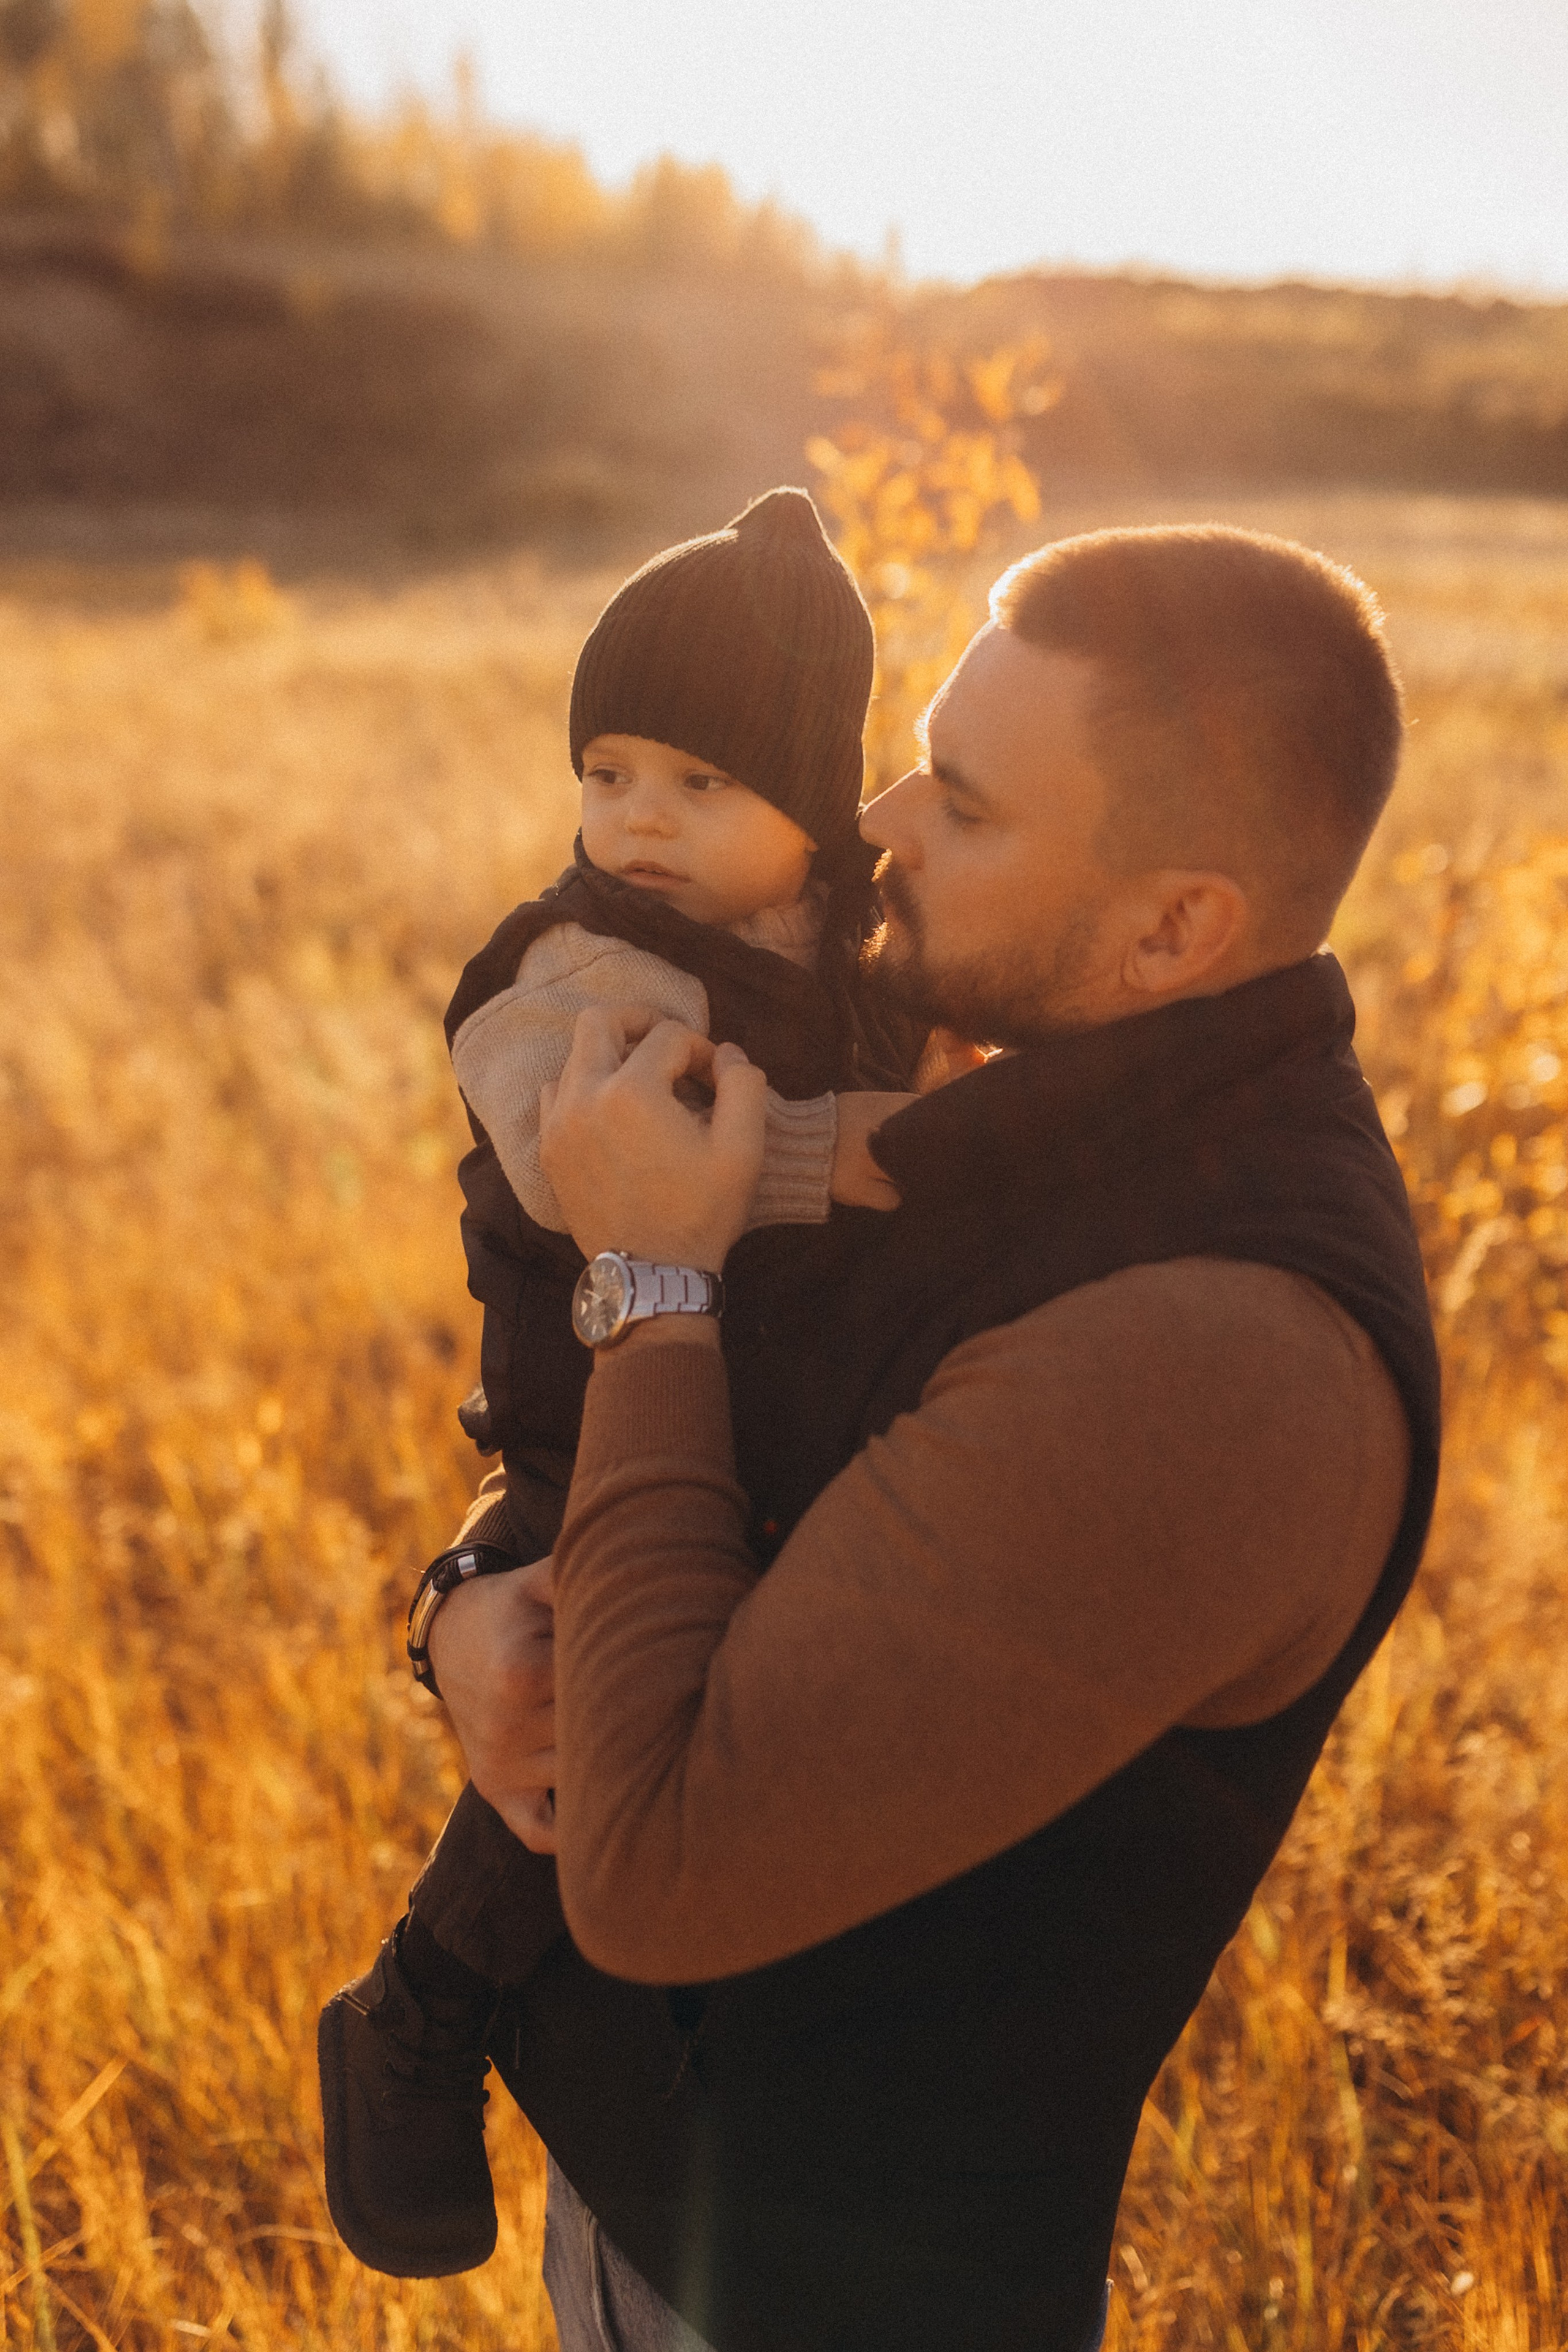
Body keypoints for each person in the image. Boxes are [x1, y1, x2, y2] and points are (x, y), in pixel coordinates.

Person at [424, 524, 1441, 2352]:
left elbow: (654, 1868)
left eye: (963, 805)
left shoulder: (1212, 1366)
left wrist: (655, 1269)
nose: (880, 810)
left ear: (1175, 925)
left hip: (818, 2290)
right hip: (674, 2197)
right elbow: (732, 1453)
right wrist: (473, 1591)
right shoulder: (1053, 1112)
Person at [318, 486, 935, 2278]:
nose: (637, 820)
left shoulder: (844, 948)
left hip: (750, 1431)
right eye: (609, 770)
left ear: (810, 809)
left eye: (699, 783)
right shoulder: (571, 967)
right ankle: (423, 2003)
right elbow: (623, 1148)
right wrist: (915, 1154)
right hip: (583, 1425)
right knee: (582, 1746)